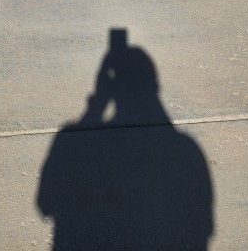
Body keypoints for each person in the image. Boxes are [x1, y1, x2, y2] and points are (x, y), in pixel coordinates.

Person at [37, 30, 214, 250]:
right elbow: (203, 229)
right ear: (154, 89)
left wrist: (96, 106)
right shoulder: (185, 153)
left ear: (110, 88)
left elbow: (45, 203)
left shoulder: (76, 144)